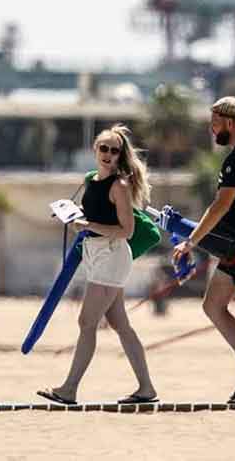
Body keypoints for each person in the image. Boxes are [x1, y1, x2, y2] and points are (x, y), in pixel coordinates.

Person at [37, 125, 159, 405]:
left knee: (86, 321)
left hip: (112, 255)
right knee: (120, 325)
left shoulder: (121, 186)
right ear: (95, 149)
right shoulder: (91, 180)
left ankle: (69, 389)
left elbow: (126, 231)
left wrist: (87, 224)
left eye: (114, 151)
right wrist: (69, 214)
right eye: (103, 148)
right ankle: (147, 389)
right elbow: (93, 214)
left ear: (120, 156)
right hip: (96, 254)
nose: (108, 154)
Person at [171, 96, 235, 404]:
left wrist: (191, 241)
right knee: (213, 305)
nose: (211, 129)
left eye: (215, 123)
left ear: (230, 124)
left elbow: (220, 206)